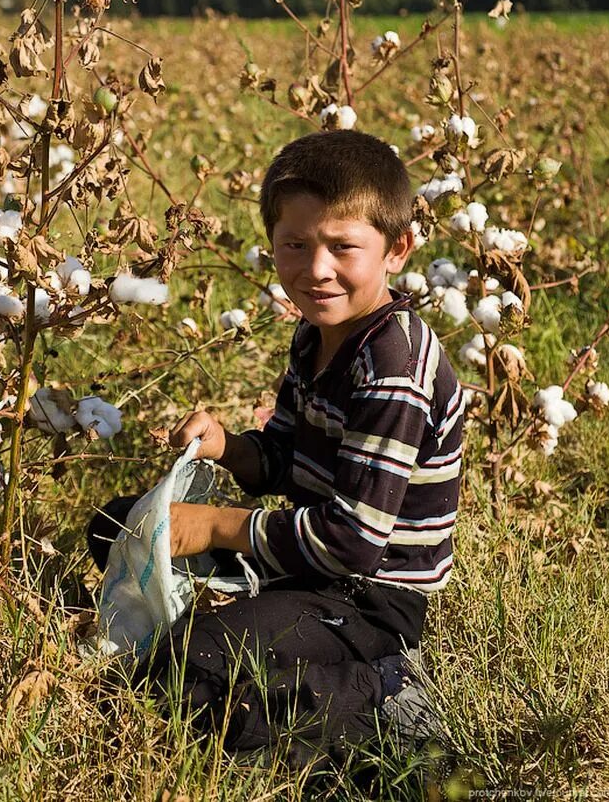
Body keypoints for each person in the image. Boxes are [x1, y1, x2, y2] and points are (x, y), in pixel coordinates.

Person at [88, 129, 463, 766]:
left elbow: (351, 542)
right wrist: (228, 448)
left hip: (366, 600)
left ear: (396, 249)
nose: (316, 270)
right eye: (295, 245)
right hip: (305, 568)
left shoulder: (393, 369)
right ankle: (255, 622)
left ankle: (382, 695)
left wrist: (214, 526)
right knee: (113, 527)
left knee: (190, 674)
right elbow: (286, 462)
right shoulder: (317, 336)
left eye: (343, 247)